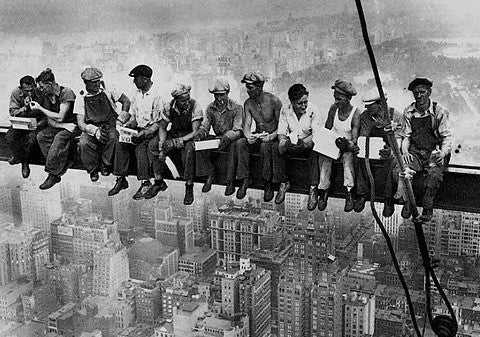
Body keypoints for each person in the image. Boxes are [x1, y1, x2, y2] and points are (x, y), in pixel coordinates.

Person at [108, 64, 165, 200]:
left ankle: (145, 182)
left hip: (153, 131)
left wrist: (146, 133)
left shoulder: (157, 95)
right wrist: (127, 125)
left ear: (145, 79)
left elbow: (160, 122)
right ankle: (121, 178)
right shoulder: (137, 95)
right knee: (121, 142)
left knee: (141, 147)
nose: (134, 82)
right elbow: (134, 115)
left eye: (136, 79)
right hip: (139, 129)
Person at [399, 77, 452, 221]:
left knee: (434, 175)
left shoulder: (439, 110)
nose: (419, 96)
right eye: (416, 93)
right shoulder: (409, 111)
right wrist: (405, 152)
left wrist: (442, 153)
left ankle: (428, 208)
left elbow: (446, 137)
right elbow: (406, 136)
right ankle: (408, 201)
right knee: (404, 171)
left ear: (429, 92)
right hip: (416, 151)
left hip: (434, 151)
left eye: (422, 92)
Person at [353, 88, 405, 216]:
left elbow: (398, 143)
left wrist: (390, 151)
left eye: (370, 106)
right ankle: (362, 193)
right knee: (360, 158)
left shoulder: (395, 116)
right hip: (372, 148)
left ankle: (388, 199)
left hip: (390, 150)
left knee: (392, 162)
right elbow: (364, 136)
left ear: (380, 103)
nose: (367, 108)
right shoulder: (365, 116)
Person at [75, 67, 131, 182]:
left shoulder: (108, 89)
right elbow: (81, 123)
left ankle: (106, 164)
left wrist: (120, 120)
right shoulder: (81, 96)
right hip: (92, 126)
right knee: (83, 143)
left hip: (110, 123)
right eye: (93, 82)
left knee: (113, 137)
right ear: (85, 83)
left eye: (98, 81)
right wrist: (94, 131)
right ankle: (92, 169)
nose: (97, 84)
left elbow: (126, 101)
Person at [150, 83, 202, 205]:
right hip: (174, 132)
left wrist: (177, 141)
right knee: (153, 144)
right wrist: (162, 145)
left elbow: (195, 132)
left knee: (189, 151)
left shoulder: (195, 106)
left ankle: (189, 185)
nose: (186, 103)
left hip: (188, 136)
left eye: (187, 99)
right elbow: (162, 127)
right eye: (183, 101)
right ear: (176, 99)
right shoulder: (169, 106)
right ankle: (158, 180)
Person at [314, 79, 361, 212]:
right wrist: (324, 141)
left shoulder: (356, 114)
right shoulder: (333, 109)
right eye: (335, 98)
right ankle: (323, 191)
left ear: (348, 98)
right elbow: (328, 128)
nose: (336, 101)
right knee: (324, 158)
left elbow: (355, 139)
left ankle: (349, 191)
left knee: (348, 160)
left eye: (339, 99)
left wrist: (347, 144)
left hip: (346, 146)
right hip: (333, 143)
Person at [236, 71, 283, 202]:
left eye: (250, 87)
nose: (248, 91)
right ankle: (244, 179)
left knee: (264, 147)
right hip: (259, 136)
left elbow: (282, 126)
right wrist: (248, 136)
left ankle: (267, 183)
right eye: (247, 87)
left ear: (259, 87)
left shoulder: (274, 101)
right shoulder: (248, 104)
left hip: (272, 138)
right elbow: (247, 125)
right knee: (240, 143)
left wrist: (271, 136)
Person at [30, 68, 79, 190]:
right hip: (63, 126)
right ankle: (61, 165)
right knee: (42, 136)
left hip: (74, 126)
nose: (41, 90)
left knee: (59, 138)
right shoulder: (47, 96)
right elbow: (50, 120)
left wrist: (40, 108)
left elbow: (60, 116)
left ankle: (53, 174)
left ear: (50, 84)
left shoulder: (65, 93)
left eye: (42, 87)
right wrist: (63, 126)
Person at [194, 79, 244, 195]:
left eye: (222, 95)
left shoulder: (236, 108)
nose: (219, 98)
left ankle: (230, 181)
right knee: (201, 144)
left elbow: (238, 128)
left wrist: (228, 136)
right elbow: (205, 126)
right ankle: (209, 174)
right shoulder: (210, 108)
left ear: (227, 93)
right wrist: (200, 133)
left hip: (231, 138)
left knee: (234, 146)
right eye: (216, 95)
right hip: (218, 138)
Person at [277, 83, 321, 206]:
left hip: (307, 143)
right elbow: (281, 132)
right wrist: (286, 143)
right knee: (278, 148)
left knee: (315, 151)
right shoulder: (285, 110)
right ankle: (284, 182)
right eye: (299, 103)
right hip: (292, 142)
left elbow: (316, 133)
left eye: (305, 102)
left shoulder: (314, 110)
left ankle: (313, 188)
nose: (303, 106)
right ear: (292, 102)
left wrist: (305, 143)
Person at [6, 75, 46, 178]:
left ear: (35, 86)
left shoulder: (41, 93)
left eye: (32, 89)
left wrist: (38, 124)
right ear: (21, 89)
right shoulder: (16, 93)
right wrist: (24, 108)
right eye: (26, 91)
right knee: (9, 137)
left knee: (31, 140)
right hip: (21, 121)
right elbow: (13, 112)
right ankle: (17, 156)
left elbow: (47, 114)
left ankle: (25, 163)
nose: (30, 93)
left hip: (36, 123)